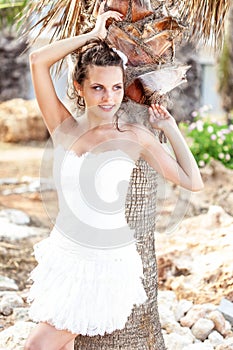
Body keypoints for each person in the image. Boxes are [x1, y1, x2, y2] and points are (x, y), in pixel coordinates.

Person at [24, 4, 204, 350]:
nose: (109, 98)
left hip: (103, 263)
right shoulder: (62, 127)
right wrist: (93, 34)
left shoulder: (135, 137)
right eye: (98, 88)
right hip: (64, 255)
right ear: (79, 87)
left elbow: (192, 181)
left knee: (38, 346)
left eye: (117, 88)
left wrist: (171, 128)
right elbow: (38, 60)